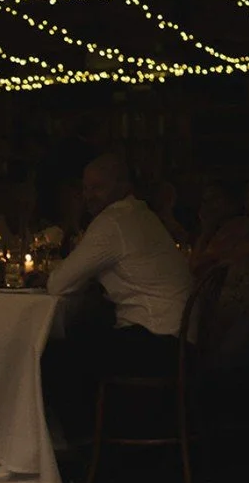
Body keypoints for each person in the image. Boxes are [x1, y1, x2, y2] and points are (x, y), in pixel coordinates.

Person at [42, 154, 193, 441]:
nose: (88, 196)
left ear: (123, 186)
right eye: (85, 189)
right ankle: (101, 446)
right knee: (82, 335)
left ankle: (86, 453)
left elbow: (58, 283)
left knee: (54, 357)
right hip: (182, 339)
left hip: (159, 342)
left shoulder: (113, 221)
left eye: (97, 188)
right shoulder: (140, 214)